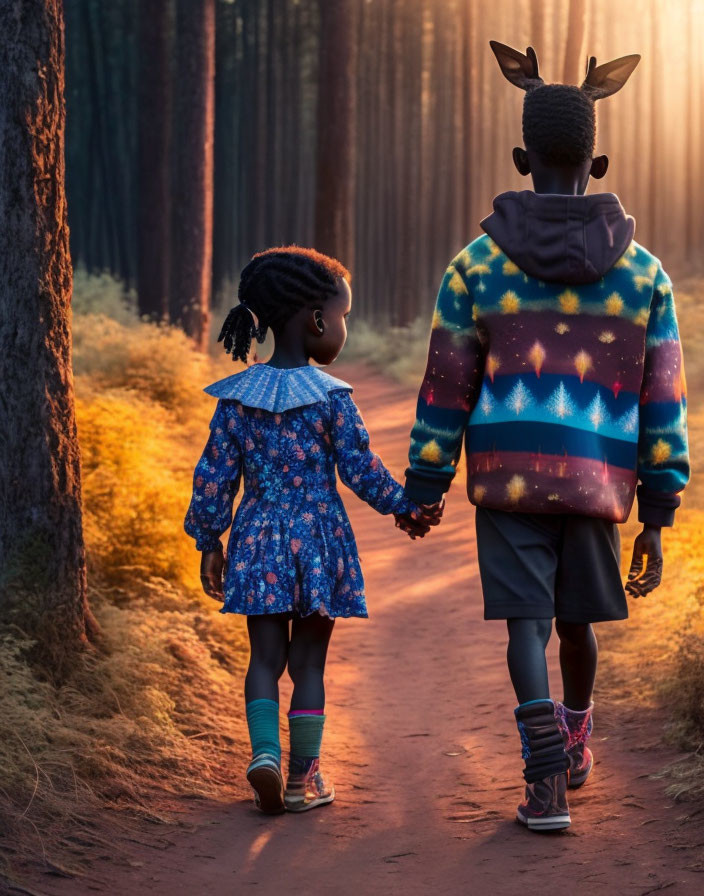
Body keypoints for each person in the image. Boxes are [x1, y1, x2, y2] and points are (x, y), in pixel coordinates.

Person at [399, 41, 689, 831]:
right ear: (597, 164)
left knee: (526, 625)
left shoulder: (474, 267)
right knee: (577, 627)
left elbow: (445, 389)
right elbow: (663, 402)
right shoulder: (646, 276)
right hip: (596, 485)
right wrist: (659, 514)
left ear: (522, 158)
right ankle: (577, 740)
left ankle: (543, 780)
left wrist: (423, 489)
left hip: (510, 480)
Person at [184, 246, 440, 815]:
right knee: (310, 666)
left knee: (264, 660)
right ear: (318, 320)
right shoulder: (332, 398)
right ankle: (303, 782)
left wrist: (209, 541)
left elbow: (214, 478)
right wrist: (404, 507)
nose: (344, 328)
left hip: (256, 540)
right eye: (343, 315)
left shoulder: (236, 401)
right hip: (318, 543)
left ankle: (265, 756)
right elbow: (359, 467)